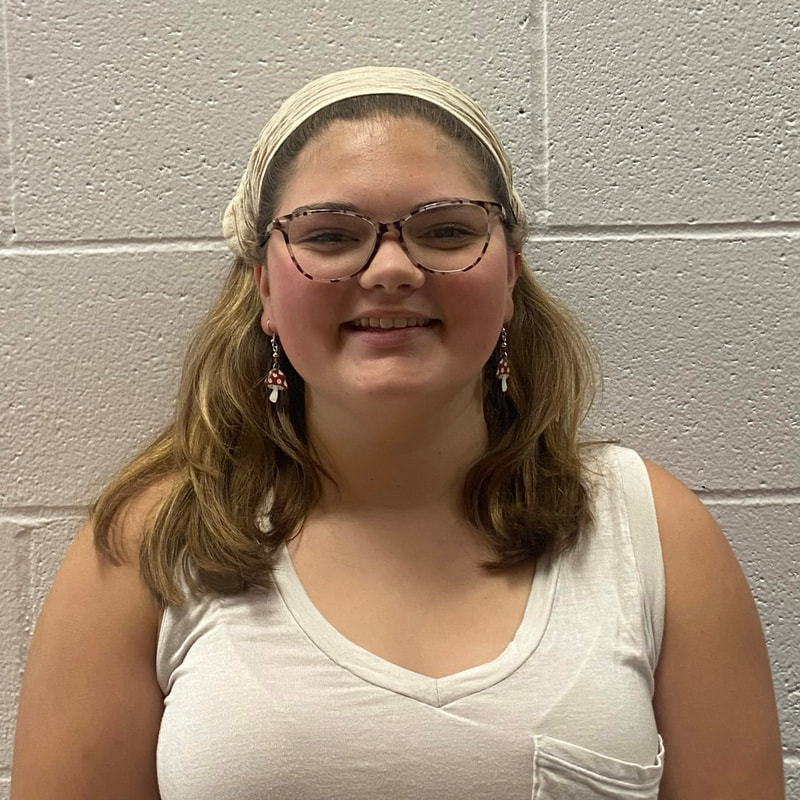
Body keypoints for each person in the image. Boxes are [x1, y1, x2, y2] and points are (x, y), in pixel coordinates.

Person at [12, 67, 784, 799]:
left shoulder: (649, 531)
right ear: (265, 288)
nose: (390, 269)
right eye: (328, 236)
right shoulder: (151, 542)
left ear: (510, 277)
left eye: (446, 231)